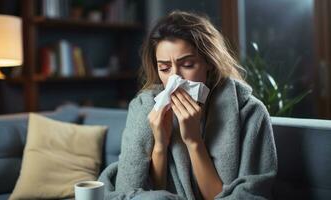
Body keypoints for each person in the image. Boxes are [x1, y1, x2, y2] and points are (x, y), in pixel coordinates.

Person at [98, 10, 277, 200]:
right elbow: (144, 194)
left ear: (209, 62)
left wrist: (194, 141)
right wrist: (160, 144)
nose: (175, 78)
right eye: (165, 68)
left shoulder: (250, 113)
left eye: (188, 64)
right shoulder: (144, 108)